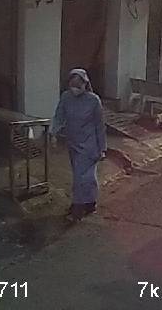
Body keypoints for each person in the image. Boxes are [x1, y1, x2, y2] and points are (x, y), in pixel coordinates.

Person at [51, 68, 107, 221]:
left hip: (89, 145)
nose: (75, 88)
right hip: (73, 143)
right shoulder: (66, 97)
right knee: (87, 177)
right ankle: (90, 202)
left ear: (85, 84)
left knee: (80, 177)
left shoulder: (93, 100)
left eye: (78, 85)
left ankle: (77, 208)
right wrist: (53, 133)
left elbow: (100, 126)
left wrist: (102, 148)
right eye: (72, 85)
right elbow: (59, 116)